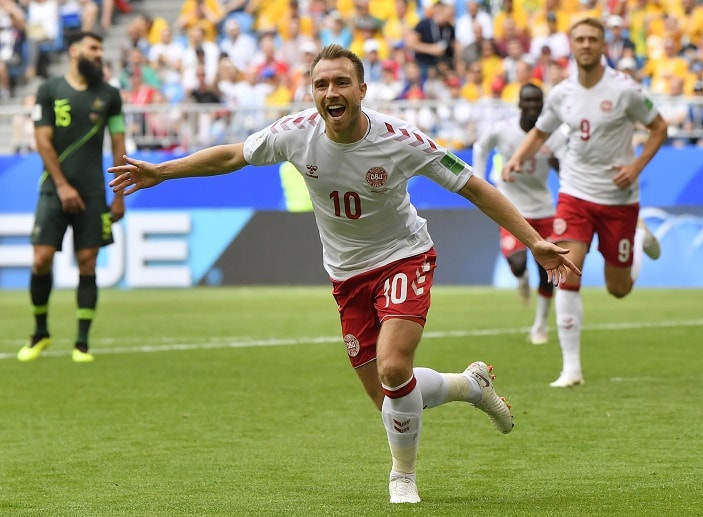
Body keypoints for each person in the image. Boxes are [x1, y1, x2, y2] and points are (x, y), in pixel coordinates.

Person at [108, 44, 580, 504]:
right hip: (347, 276)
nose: (330, 91)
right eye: (320, 84)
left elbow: (475, 187)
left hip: (403, 256)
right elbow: (233, 156)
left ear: (361, 90)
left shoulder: (401, 140)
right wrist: (163, 171)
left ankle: (403, 477)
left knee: (394, 369)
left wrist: (532, 240)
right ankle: (469, 386)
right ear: (311, 93)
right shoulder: (294, 133)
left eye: (341, 82)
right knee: (391, 399)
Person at [504, 18, 667, 388]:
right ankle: (571, 369)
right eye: (580, 39)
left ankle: (637, 243)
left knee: (618, 289)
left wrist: (636, 165)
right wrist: (517, 158)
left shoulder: (625, 90)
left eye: (593, 38)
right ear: (572, 46)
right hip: (575, 194)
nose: (587, 44)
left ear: (604, 44)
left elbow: (659, 128)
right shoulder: (562, 93)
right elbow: (540, 131)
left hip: (619, 198)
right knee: (565, 271)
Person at [17, 31, 126, 363]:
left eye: (101, 49)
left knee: (88, 262)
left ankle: (81, 343)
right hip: (53, 188)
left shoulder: (109, 95)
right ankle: (40, 333)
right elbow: (42, 141)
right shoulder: (49, 90)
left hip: (93, 192)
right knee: (41, 259)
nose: (98, 54)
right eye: (93, 48)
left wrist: (119, 195)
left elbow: (119, 144)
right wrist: (63, 186)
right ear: (74, 51)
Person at [473, 83, 566, 345]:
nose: (533, 106)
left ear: (542, 104)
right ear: (520, 104)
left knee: (547, 270)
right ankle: (521, 279)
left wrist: (565, 177)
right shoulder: (504, 130)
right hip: (511, 207)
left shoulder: (553, 135)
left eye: (537, 101)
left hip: (544, 208)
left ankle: (539, 326)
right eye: (528, 101)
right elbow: (481, 147)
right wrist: (480, 182)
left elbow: (567, 165)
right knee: (517, 264)